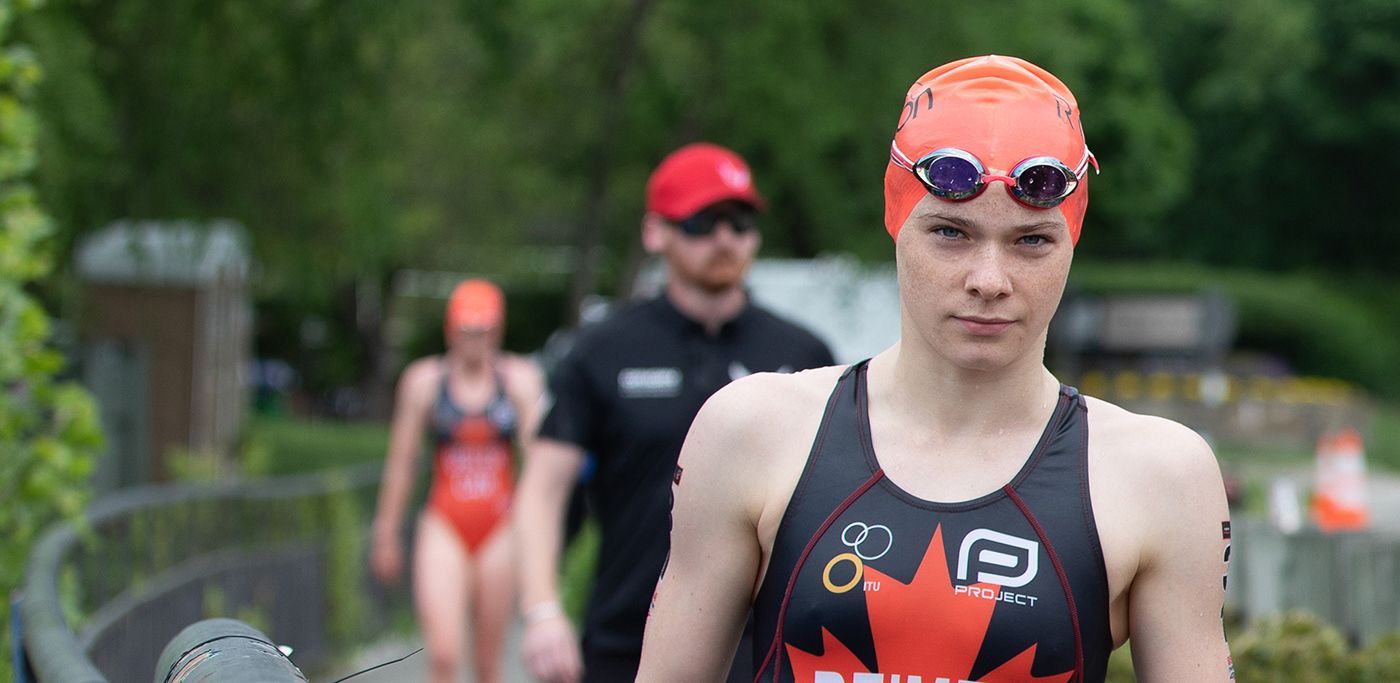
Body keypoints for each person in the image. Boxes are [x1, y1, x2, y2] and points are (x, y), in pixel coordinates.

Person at [638, 56, 1234, 682]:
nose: (989, 281)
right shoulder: (753, 430)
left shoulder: (1160, 475)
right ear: (896, 222)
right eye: (950, 232)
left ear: (1072, 242)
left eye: (1032, 241)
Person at [514, 143, 837, 683]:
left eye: (741, 222)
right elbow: (542, 492)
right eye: (701, 222)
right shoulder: (601, 349)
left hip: (768, 644)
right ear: (655, 232)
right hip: (629, 637)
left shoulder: (804, 355)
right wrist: (542, 612)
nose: (724, 239)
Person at [371, 278, 545, 683]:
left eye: (482, 333)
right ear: (450, 332)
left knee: (488, 662)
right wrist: (386, 534)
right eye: (466, 333)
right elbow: (402, 462)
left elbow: (537, 466)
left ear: (496, 332)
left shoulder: (518, 381)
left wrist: (538, 542)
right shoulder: (424, 383)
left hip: (499, 527)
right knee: (445, 656)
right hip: (444, 523)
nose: (474, 343)